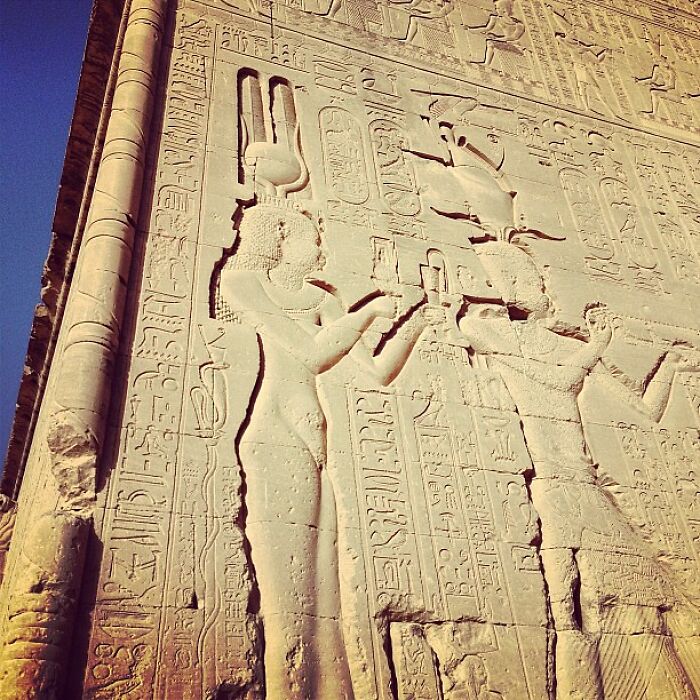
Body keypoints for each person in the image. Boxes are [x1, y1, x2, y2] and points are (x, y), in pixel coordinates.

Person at [456, 237, 699, 699]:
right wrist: (596, 346)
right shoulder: (493, 334)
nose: (540, 287)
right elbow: (560, 381)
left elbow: (644, 410)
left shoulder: (565, 346)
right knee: (579, 610)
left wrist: (669, 363)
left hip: (585, 486)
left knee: (640, 605)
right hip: (552, 486)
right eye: (526, 279)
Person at [219, 198, 439, 698]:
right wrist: (368, 313)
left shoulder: (320, 300)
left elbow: (376, 371)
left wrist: (417, 320)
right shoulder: (243, 283)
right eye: (311, 239)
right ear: (278, 239)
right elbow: (312, 353)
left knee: (324, 599)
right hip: (275, 435)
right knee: (288, 600)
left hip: (313, 440)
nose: (321, 250)